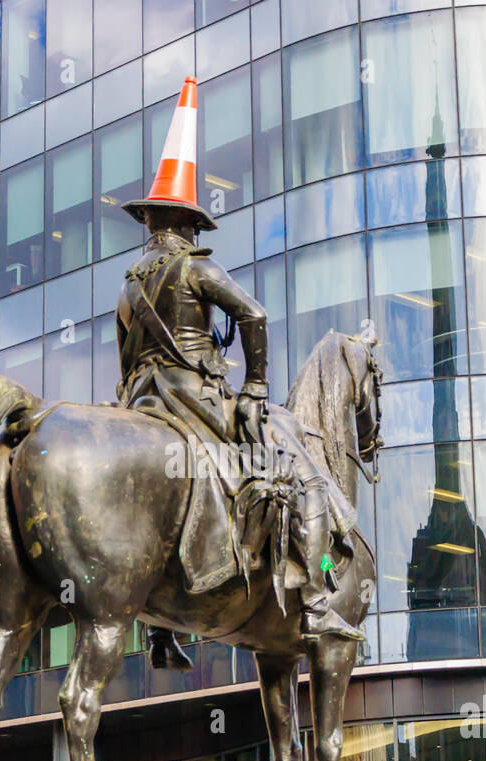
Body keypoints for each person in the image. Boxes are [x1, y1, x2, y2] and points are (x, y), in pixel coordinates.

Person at [115, 79, 364, 669]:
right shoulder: (196, 268)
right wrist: (254, 387)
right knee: (303, 472)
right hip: (197, 397)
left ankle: (156, 630)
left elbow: (127, 356)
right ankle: (318, 596)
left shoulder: (131, 282)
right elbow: (254, 314)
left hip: (144, 399)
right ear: (190, 225)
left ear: (151, 221)